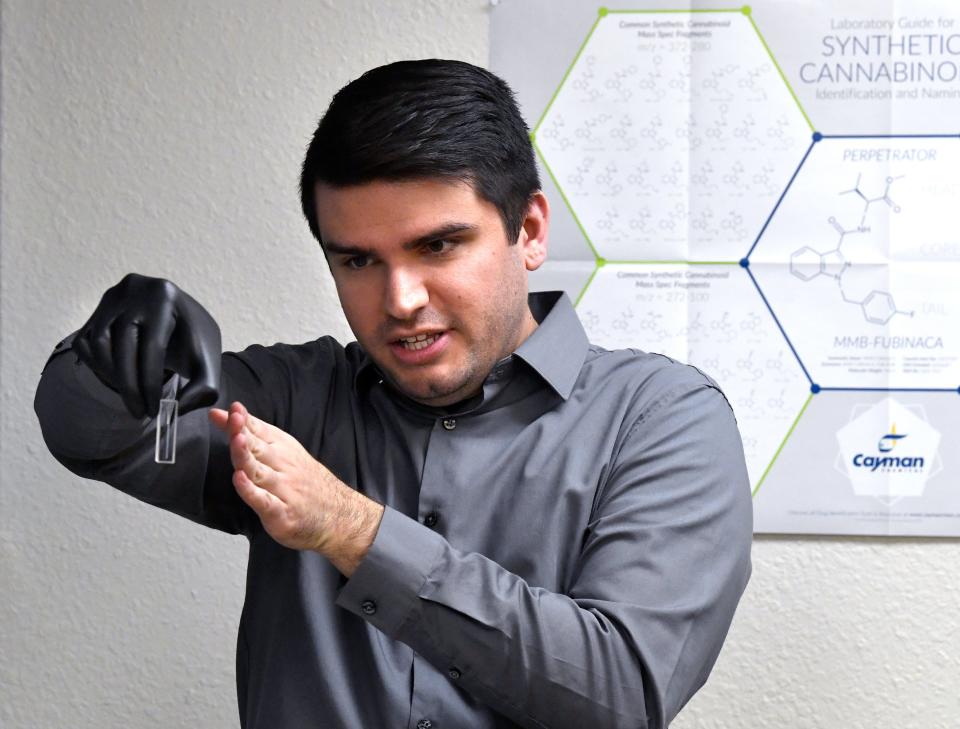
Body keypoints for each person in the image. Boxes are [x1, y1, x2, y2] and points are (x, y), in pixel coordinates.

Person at [34, 59, 752, 728]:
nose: (401, 299)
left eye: (438, 246)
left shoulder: (661, 420)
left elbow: (620, 688)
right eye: (358, 260)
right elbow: (95, 435)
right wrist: (104, 357)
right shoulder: (296, 398)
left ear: (528, 230)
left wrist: (349, 528)